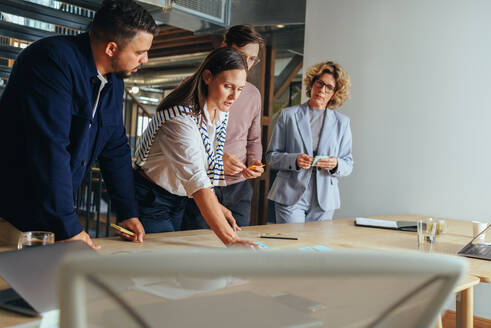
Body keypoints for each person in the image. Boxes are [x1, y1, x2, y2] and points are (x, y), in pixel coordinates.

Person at [0, 0, 157, 249]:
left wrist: (127, 212)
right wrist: (69, 227)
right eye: (139, 52)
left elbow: (116, 148)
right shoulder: (51, 61)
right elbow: (50, 147)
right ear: (112, 48)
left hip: (45, 214)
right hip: (6, 209)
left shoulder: (113, 84)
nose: (145, 59)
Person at [133, 47, 257, 247]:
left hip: (180, 197)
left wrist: (217, 207)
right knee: (159, 264)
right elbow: (197, 181)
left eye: (240, 89)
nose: (234, 96)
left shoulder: (220, 111)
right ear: (208, 77)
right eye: (228, 86)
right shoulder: (180, 119)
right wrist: (232, 241)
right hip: (152, 198)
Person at [182, 25, 265, 230]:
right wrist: (216, 160)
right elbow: (183, 141)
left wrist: (255, 162)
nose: (247, 63)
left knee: (236, 249)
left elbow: (253, 140)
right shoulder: (195, 87)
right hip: (203, 184)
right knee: (200, 248)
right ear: (223, 48)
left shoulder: (253, 95)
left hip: (239, 188)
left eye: (253, 59)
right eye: (241, 55)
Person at [266, 61, 353, 223]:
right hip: (290, 194)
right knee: (292, 245)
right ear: (312, 83)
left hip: (325, 199)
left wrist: (335, 164)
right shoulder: (288, 116)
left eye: (329, 87)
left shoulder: (342, 122)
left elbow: (348, 163)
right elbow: (271, 156)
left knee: (317, 247)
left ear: (335, 93)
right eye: (319, 83)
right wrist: (294, 160)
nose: (322, 90)